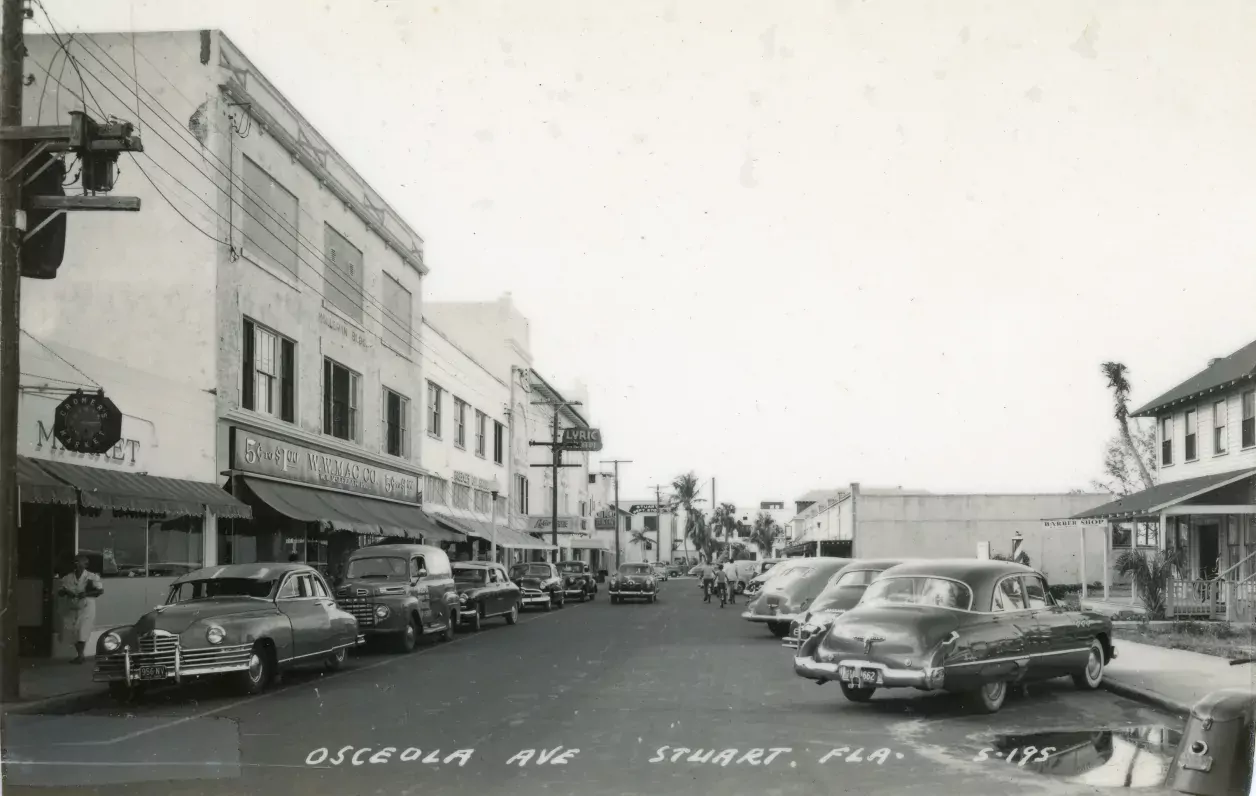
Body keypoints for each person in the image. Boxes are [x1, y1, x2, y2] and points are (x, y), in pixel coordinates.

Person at [58, 554, 103, 664]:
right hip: (71, 607)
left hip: (86, 607)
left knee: (82, 631)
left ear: (85, 564)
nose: (76, 564)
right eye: (75, 562)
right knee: (72, 630)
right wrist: (66, 592)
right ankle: (79, 654)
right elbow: (60, 592)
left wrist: (86, 593)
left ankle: (80, 655)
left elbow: (99, 591)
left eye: (79, 562)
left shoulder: (92, 577)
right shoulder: (67, 577)